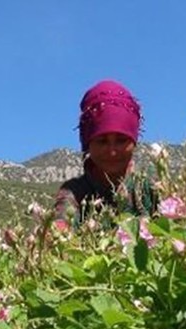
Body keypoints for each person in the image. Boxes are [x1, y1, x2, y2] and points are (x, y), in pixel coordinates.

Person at [54, 79, 156, 224]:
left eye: (121, 140)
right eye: (102, 141)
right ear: (88, 144)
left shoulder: (152, 187)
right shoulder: (74, 194)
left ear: (134, 141)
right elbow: (58, 233)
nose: (112, 151)